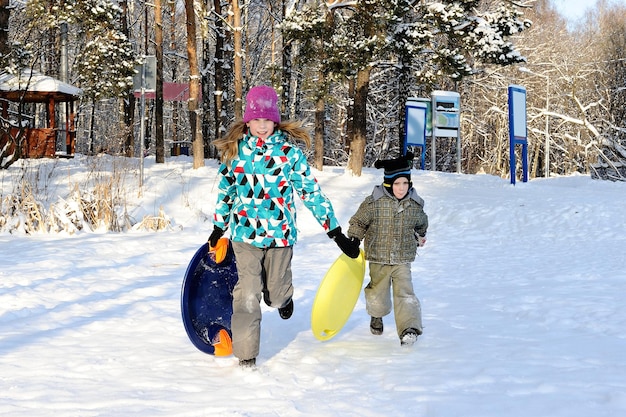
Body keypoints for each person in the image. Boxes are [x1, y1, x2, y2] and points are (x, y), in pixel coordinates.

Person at [208, 85, 359, 368]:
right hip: (244, 235)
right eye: (256, 120)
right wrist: (219, 227)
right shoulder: (235, 153)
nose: (262, 126)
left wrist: (335, 232)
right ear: (247, 121)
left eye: (267, 121)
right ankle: (246, 355)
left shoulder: (289, 154)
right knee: (247, 293)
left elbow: (311, 192)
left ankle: (283, 298)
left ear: (275, 121)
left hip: (280, 236)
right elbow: (226, 192)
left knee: (275, 295)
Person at [346, 152, 428, 346]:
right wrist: (354, 238)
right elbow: (358, 221)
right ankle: (377, 315)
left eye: (405, 183)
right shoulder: (374, 202)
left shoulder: (415, 205)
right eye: (397, 184)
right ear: (389, 183)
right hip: (379, 256)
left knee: (405, 293)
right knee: (378, 292)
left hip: (402, 257)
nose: (401, 188)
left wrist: (420, 236)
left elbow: (422, 223)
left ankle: (409, 328)